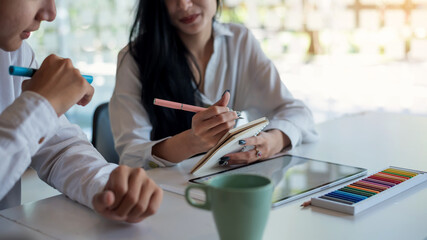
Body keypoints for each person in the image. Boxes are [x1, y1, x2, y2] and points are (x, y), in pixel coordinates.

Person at [0, 0, 163, 223]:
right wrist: (42, 105)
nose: (50, 13)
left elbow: (59, 149)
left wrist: (107, 185)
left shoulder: (13, 54)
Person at [110, 0, 318, 169]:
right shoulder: (134, 58)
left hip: (224, 180)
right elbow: (131, 155)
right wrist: (192, 141)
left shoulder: (239, 41)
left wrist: (272, 141)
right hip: (164, 191)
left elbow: (297, 112)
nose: (183, 5)